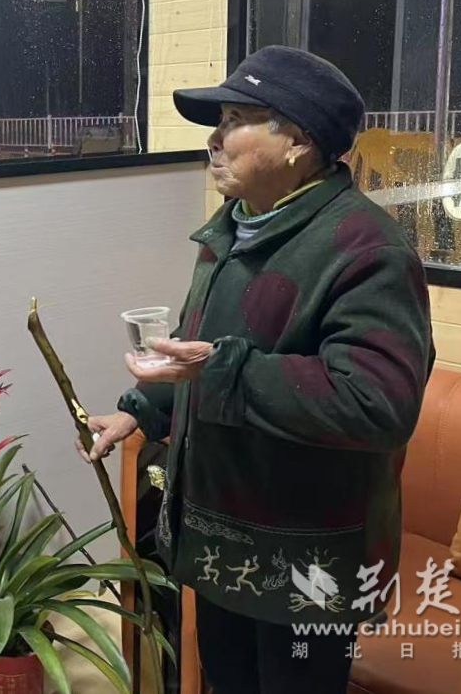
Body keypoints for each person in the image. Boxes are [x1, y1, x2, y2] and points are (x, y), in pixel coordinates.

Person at [81, 46, 435, 694]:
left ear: (298, 141)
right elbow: (199, 350)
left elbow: (378, 403)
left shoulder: (367, 249)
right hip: (224, 541)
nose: (213, 140)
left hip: (307, 555)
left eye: (237, 119)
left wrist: (224, 370)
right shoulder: (234, 229)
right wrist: (140, 410)